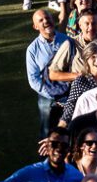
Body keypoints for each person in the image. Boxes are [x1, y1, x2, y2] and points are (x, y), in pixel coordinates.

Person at [26, 8, 70, 136]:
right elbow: (34, 80)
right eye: (41, 20)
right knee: (46, 131)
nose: (46, 21)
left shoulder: (67, 41)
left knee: (70, 128)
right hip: (48, 98)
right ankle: (45, 156)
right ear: (35, 26)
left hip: (69, 94)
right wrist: (54, 94)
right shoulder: (32, 50)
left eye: (47, 18)